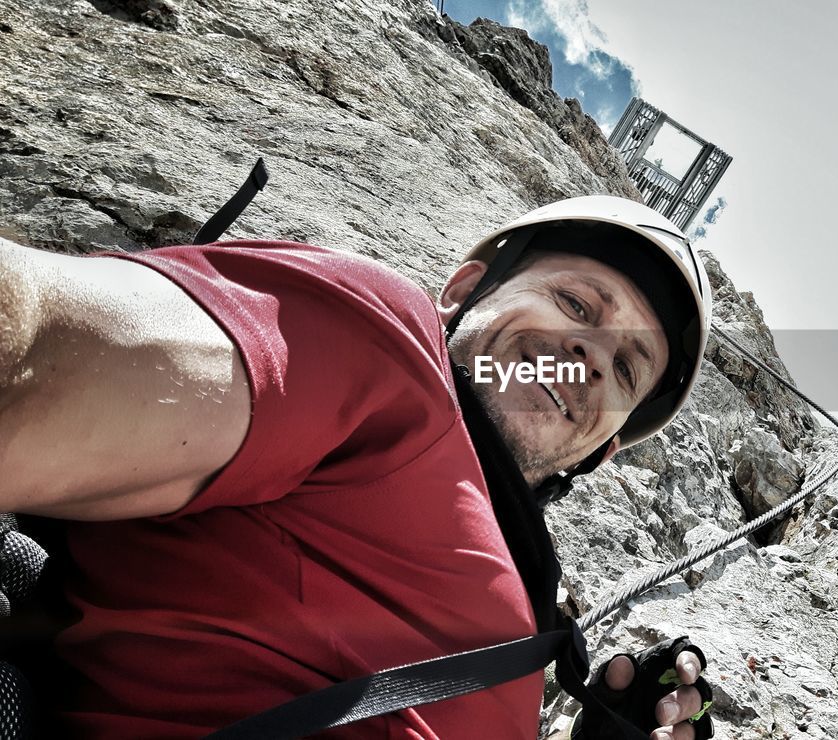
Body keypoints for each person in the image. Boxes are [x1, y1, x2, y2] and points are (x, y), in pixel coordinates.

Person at [0, 195, 713, 739]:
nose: (592, 355)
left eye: (627, 366)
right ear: (463, 293)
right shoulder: (389, 350)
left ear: (604, 448)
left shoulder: (532, 612)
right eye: (574, 302)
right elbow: (32, 348)